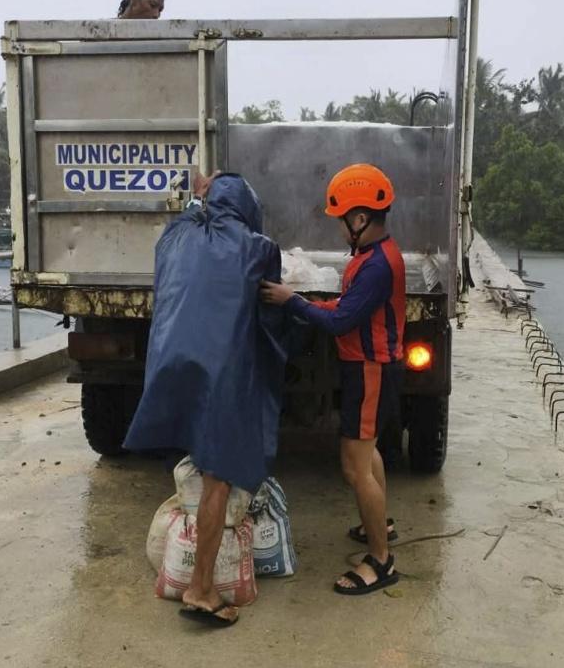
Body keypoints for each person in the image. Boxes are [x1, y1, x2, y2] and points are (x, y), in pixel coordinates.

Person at [123, 172, 288, 627]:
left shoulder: (175, 235)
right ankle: (200, 588)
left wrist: (200, 198)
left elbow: (190, 217)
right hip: (222, 369)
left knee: (196, 451)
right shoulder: (259, 249)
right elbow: (270, 310)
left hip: (170, 361)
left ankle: (189, 567)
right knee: (220, 474)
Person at [259, 163, 405, 596]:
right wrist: (311, 302)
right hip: (373, 366)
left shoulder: (376, 265)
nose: (341, 228)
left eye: (342, 219)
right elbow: (349, 307)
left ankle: (380, 561)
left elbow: (342, 321)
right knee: (369, 451)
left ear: (360, 218)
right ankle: (379, 524)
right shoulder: (373, 257)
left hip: (371, 369)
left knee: (353, 464)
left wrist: (291, 301)